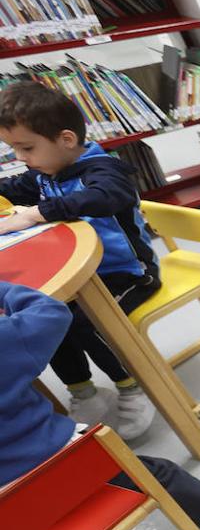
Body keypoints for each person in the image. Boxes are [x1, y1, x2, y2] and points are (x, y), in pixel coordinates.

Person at [1, 281, 200, 530]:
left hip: (13, 516)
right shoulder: (7, 338)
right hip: (63, 460)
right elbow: (51, 312)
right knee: (158, 474)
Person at [0, 80, 159, 438]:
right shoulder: (46, 170)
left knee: (87, 321)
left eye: (26, 148)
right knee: (47, 317)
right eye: (14, 150)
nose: (21, 158)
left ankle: (131, 386)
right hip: (81, 274)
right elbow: (13, 188)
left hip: (129, 273)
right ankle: (83, 391)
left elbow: (102, 198)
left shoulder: (104, 171)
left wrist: (36, 214)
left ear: (67, 140)